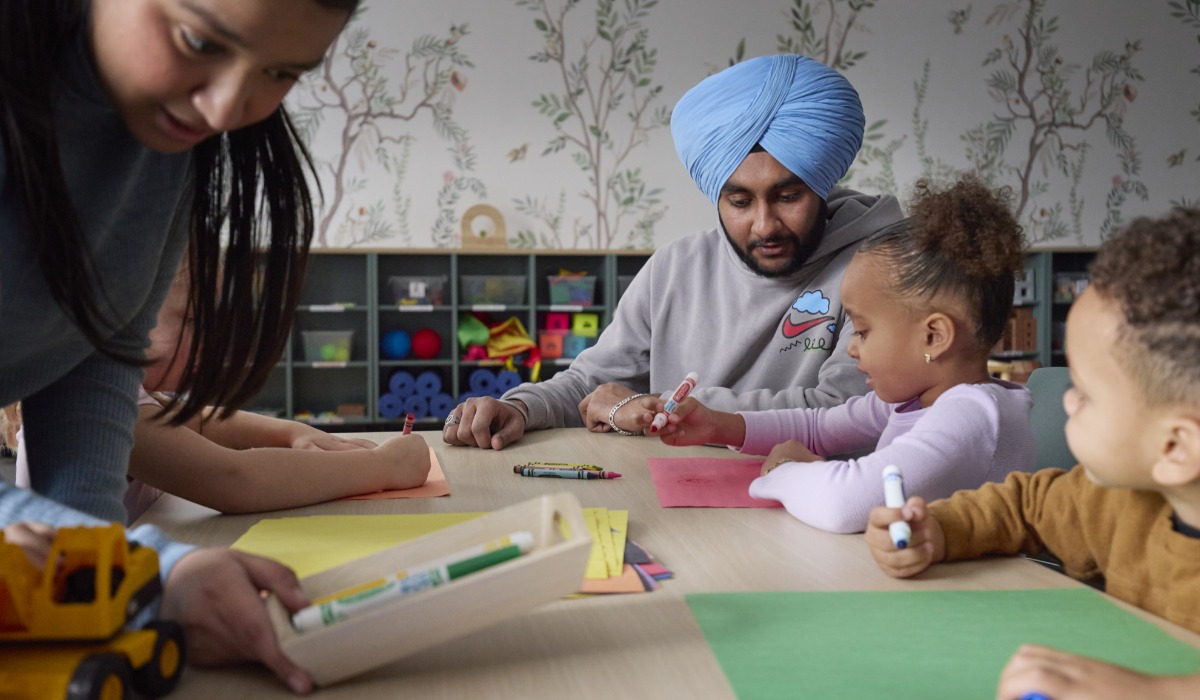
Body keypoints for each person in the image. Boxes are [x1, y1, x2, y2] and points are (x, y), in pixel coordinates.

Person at [0, 0, 359, 692]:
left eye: (282, 72)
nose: (226, 109)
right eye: (198, 40)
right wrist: (151, 565)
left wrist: (112, 591)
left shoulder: (160, 139)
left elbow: (95, 357)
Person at [444, 54, 904, 451]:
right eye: (740, 202)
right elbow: (592, 386)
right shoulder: (674, 268)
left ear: (822, 187)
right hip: (676, 500)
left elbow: (849, 415)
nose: (765, 225)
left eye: (788, 198)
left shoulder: (880, 268)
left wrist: (653, 407)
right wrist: (522, 408)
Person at [866, 208, 1200, 699]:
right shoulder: (1114, 499)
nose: (1065, 399)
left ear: (1175, 448)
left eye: (1084, 394)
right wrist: (939, 530)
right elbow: (1025, 506)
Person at [656, 175, 1035, 532]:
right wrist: (719, 424)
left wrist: (785, 471)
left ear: (934, 336)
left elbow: (846, 502)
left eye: (864, 331)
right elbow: (817, 426)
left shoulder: (971, 413)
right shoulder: (911, 403)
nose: (852, 347)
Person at [14, 261, 432, 521]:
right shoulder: (100, 413)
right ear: (117, 318)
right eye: (193, 320)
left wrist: (288, 432)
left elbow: (197, 418)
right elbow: (234, 480)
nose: (213, 343)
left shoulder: (130, 392)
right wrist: (383, 467)